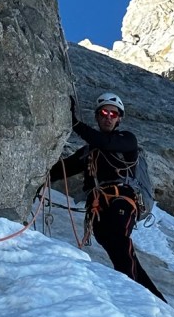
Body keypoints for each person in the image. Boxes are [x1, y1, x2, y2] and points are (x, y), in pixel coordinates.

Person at [50, 92, 166, 301]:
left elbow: (106, 143)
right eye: (104, 112)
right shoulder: (89, 152)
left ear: (119, 118)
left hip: (122, 200)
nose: (108, 117)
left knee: (119, 242)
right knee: (116, 248)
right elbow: (60, 170)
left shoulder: (127, 141)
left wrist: (75, 123)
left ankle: (134, 294)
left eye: (114, 114)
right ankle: (152, 297)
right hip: (99, 208)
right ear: (97, 116)